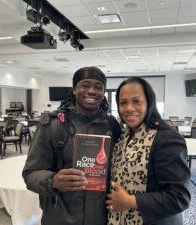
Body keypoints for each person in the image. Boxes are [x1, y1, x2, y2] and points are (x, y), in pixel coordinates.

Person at [22, 66, 122, 225]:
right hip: (61, 216)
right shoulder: (53, 124)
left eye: (98, 87)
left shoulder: (112, 126)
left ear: (103, 93)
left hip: (101, 217)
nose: (91, 91)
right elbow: (30, 174)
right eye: (85, 85)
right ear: (74, 89)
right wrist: (53, 180)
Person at [106, 77, 191, 225]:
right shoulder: (123, 137)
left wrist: (129, 201)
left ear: (149, 103)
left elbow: (179, 198)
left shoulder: (166, 139)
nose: (129, 108)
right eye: (123, 103)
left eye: (136, 101)